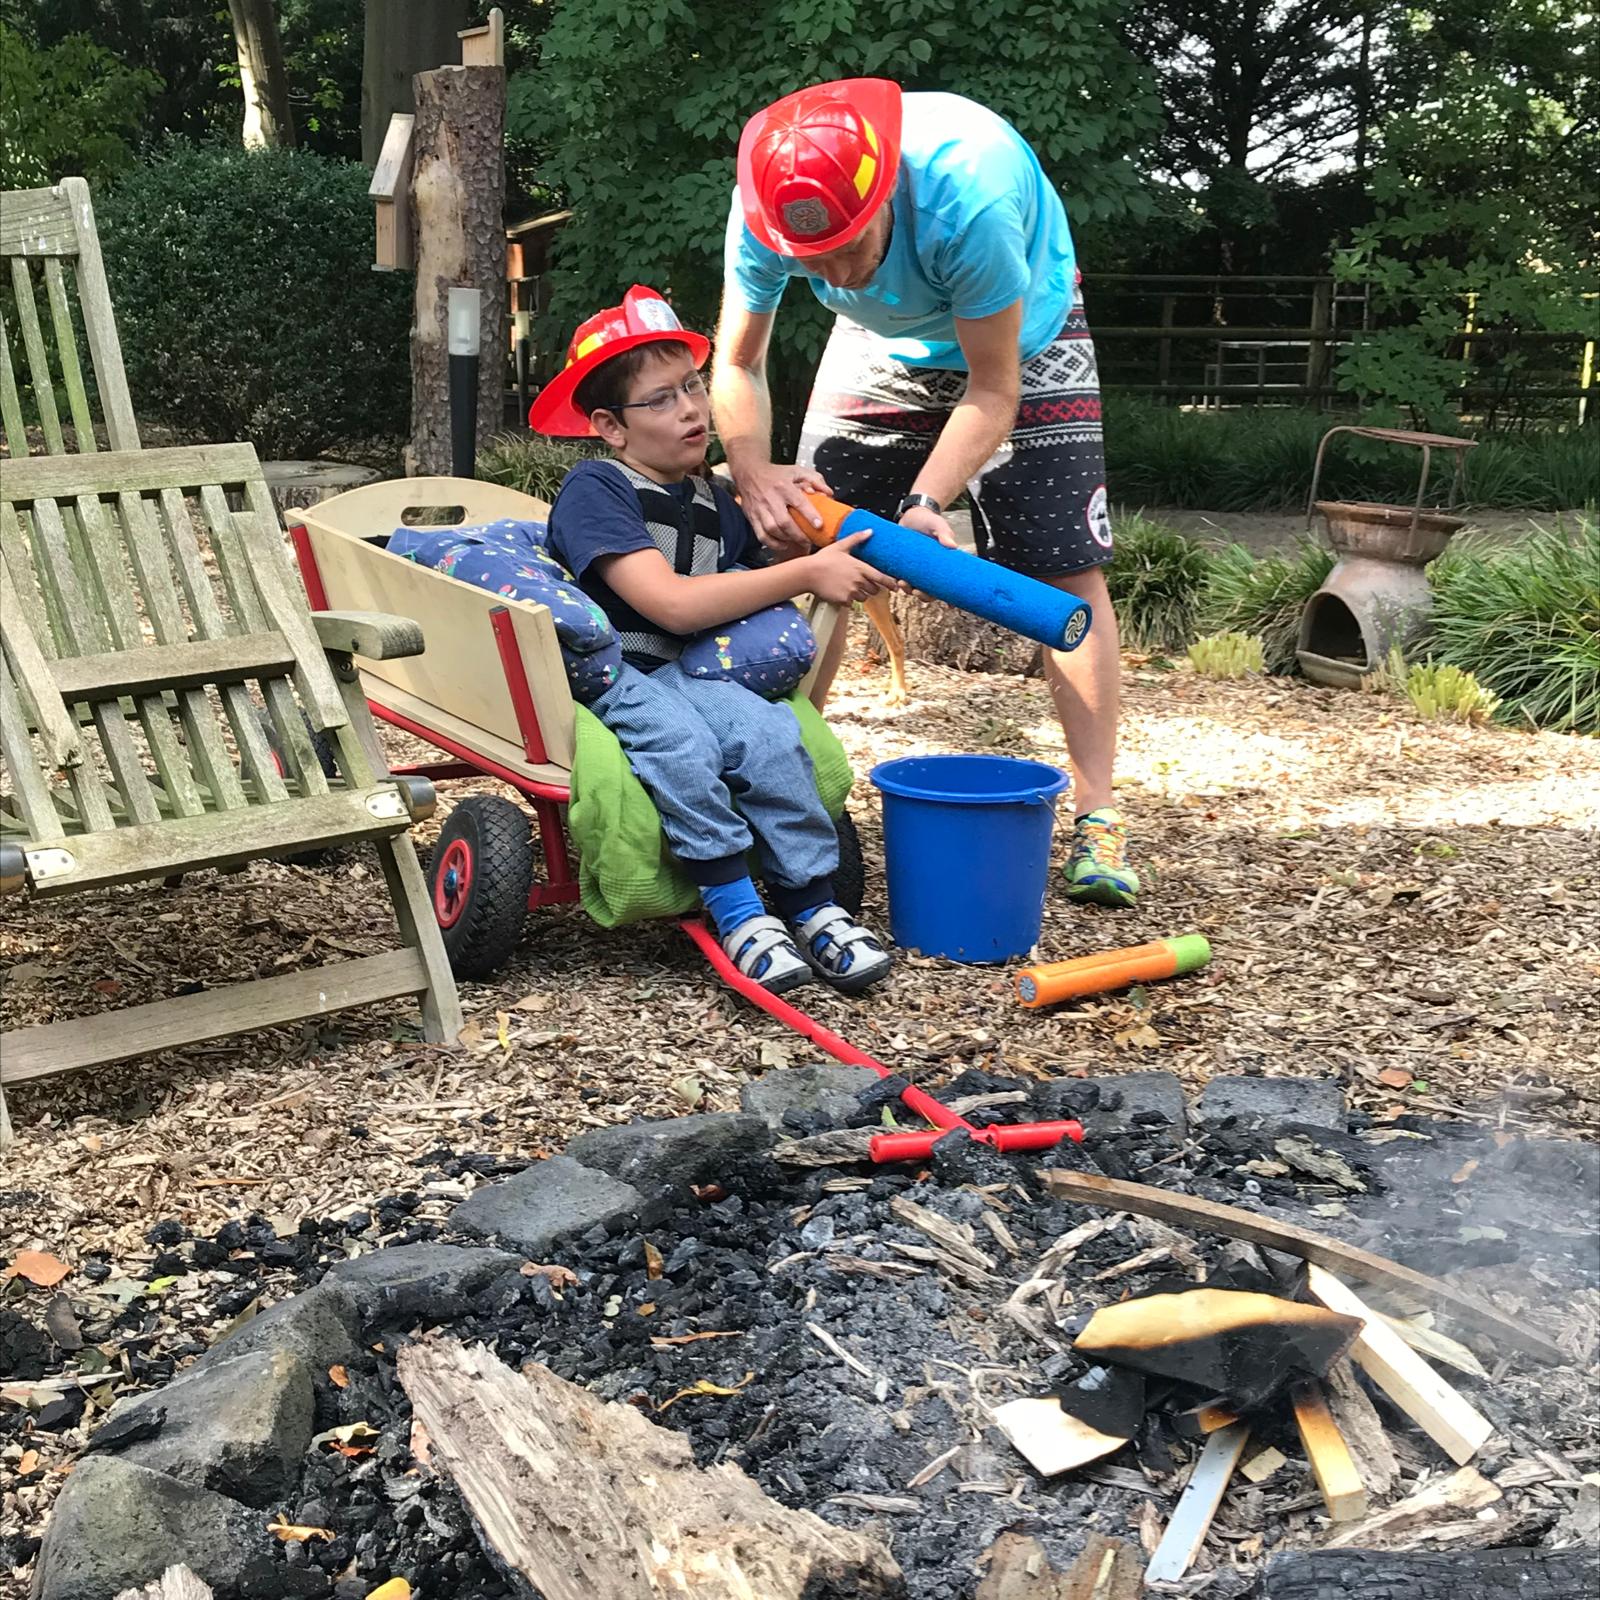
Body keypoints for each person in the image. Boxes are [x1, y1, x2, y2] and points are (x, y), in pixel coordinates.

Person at [712, 77, 1138, 908]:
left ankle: (1097, 816)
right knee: (810, 541)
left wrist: (926, 503)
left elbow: (991, 387)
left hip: (1025, 338)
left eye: (849, 246)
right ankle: (790, 789)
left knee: (1063, 569)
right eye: (815, 260)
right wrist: (755, 470)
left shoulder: (964, 197)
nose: (835, 272)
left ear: (884, 194)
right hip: (883, 347)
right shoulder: (766, 206)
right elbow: (734, 362)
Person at [529, 285, 895, 995]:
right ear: (610, 426)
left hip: (695, 667)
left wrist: (816, 548)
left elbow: (748, 577)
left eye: (694, 386)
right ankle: (736, 910)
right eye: (662, 399)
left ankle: (811, 903)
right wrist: (808, 574)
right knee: (682, 747)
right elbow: (667, 604)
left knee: (768, 734)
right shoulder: (597, 490)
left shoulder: (712, 497)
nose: (693, 408)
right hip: (620, 672)